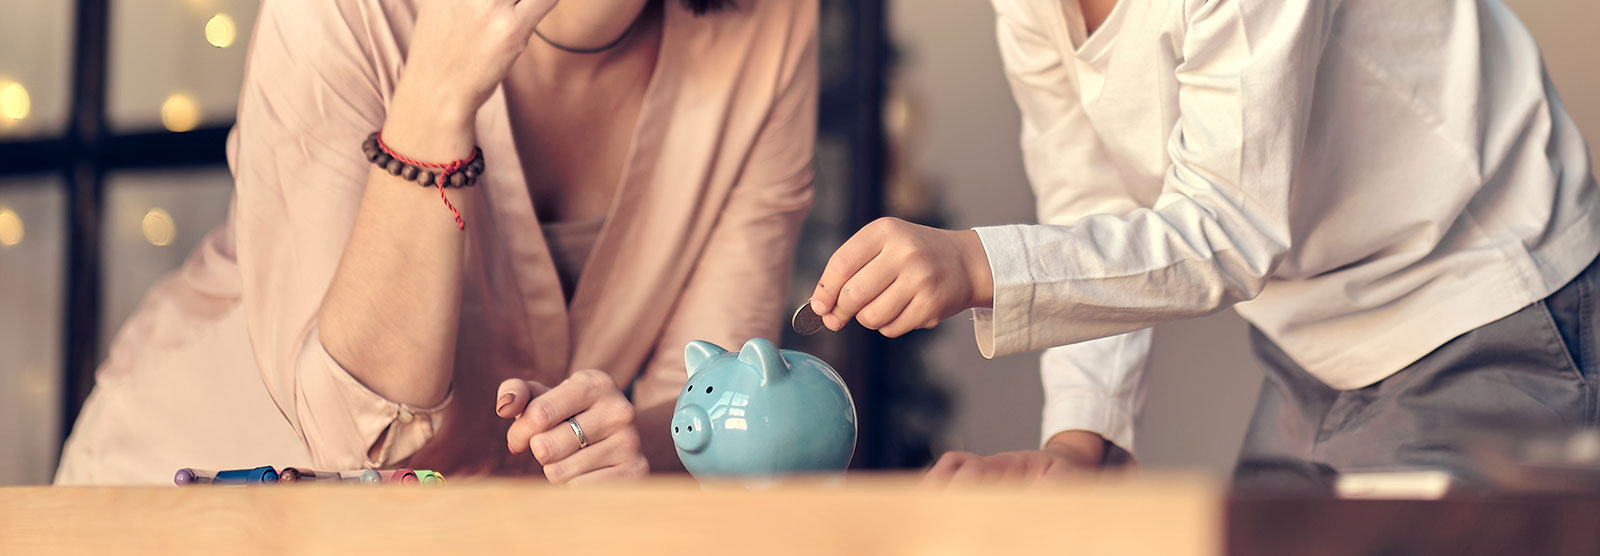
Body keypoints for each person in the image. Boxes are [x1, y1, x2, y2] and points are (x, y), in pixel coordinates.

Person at [809, 0, 1600, 485]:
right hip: (1309, 355)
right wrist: (1083, 444)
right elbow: (1089, 203)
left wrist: (979, 263)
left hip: (1483, 307)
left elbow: (1227, 226)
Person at [55, 0, 817, 485]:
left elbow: (719, 409)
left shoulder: (769, 24)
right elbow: (357, 437)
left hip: (493, 533)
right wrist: (435, 101)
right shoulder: (340, 11)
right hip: (193, 493)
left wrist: (627, 446)